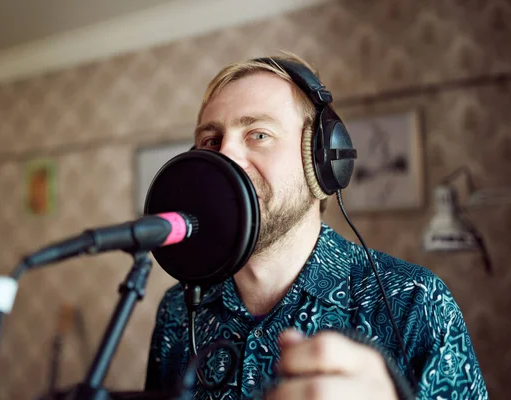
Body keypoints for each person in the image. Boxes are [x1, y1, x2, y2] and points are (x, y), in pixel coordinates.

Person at [144, 54, 488, 399]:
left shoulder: (416, 301)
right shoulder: (179, 308)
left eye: (258, 134)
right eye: (211, 141)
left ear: (321, 158)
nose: (225, 156)